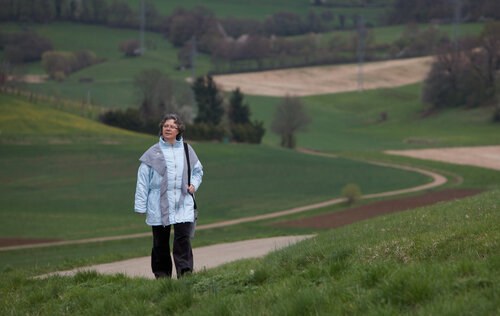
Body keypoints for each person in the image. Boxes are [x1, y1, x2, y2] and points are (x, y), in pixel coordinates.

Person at [134, 114, 203, 279]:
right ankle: (162, 276)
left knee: (182, 240)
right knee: (160, 242)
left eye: (172, 126)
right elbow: (142, 181)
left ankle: (185, 274)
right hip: (158, 202)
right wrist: (141, 205)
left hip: (183, 201)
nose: (168, 128)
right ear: (161, 129)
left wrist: (193, 185)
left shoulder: (187, 150)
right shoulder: (152, 153)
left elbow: (198, 171)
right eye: (166, 126)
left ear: (179, 130)